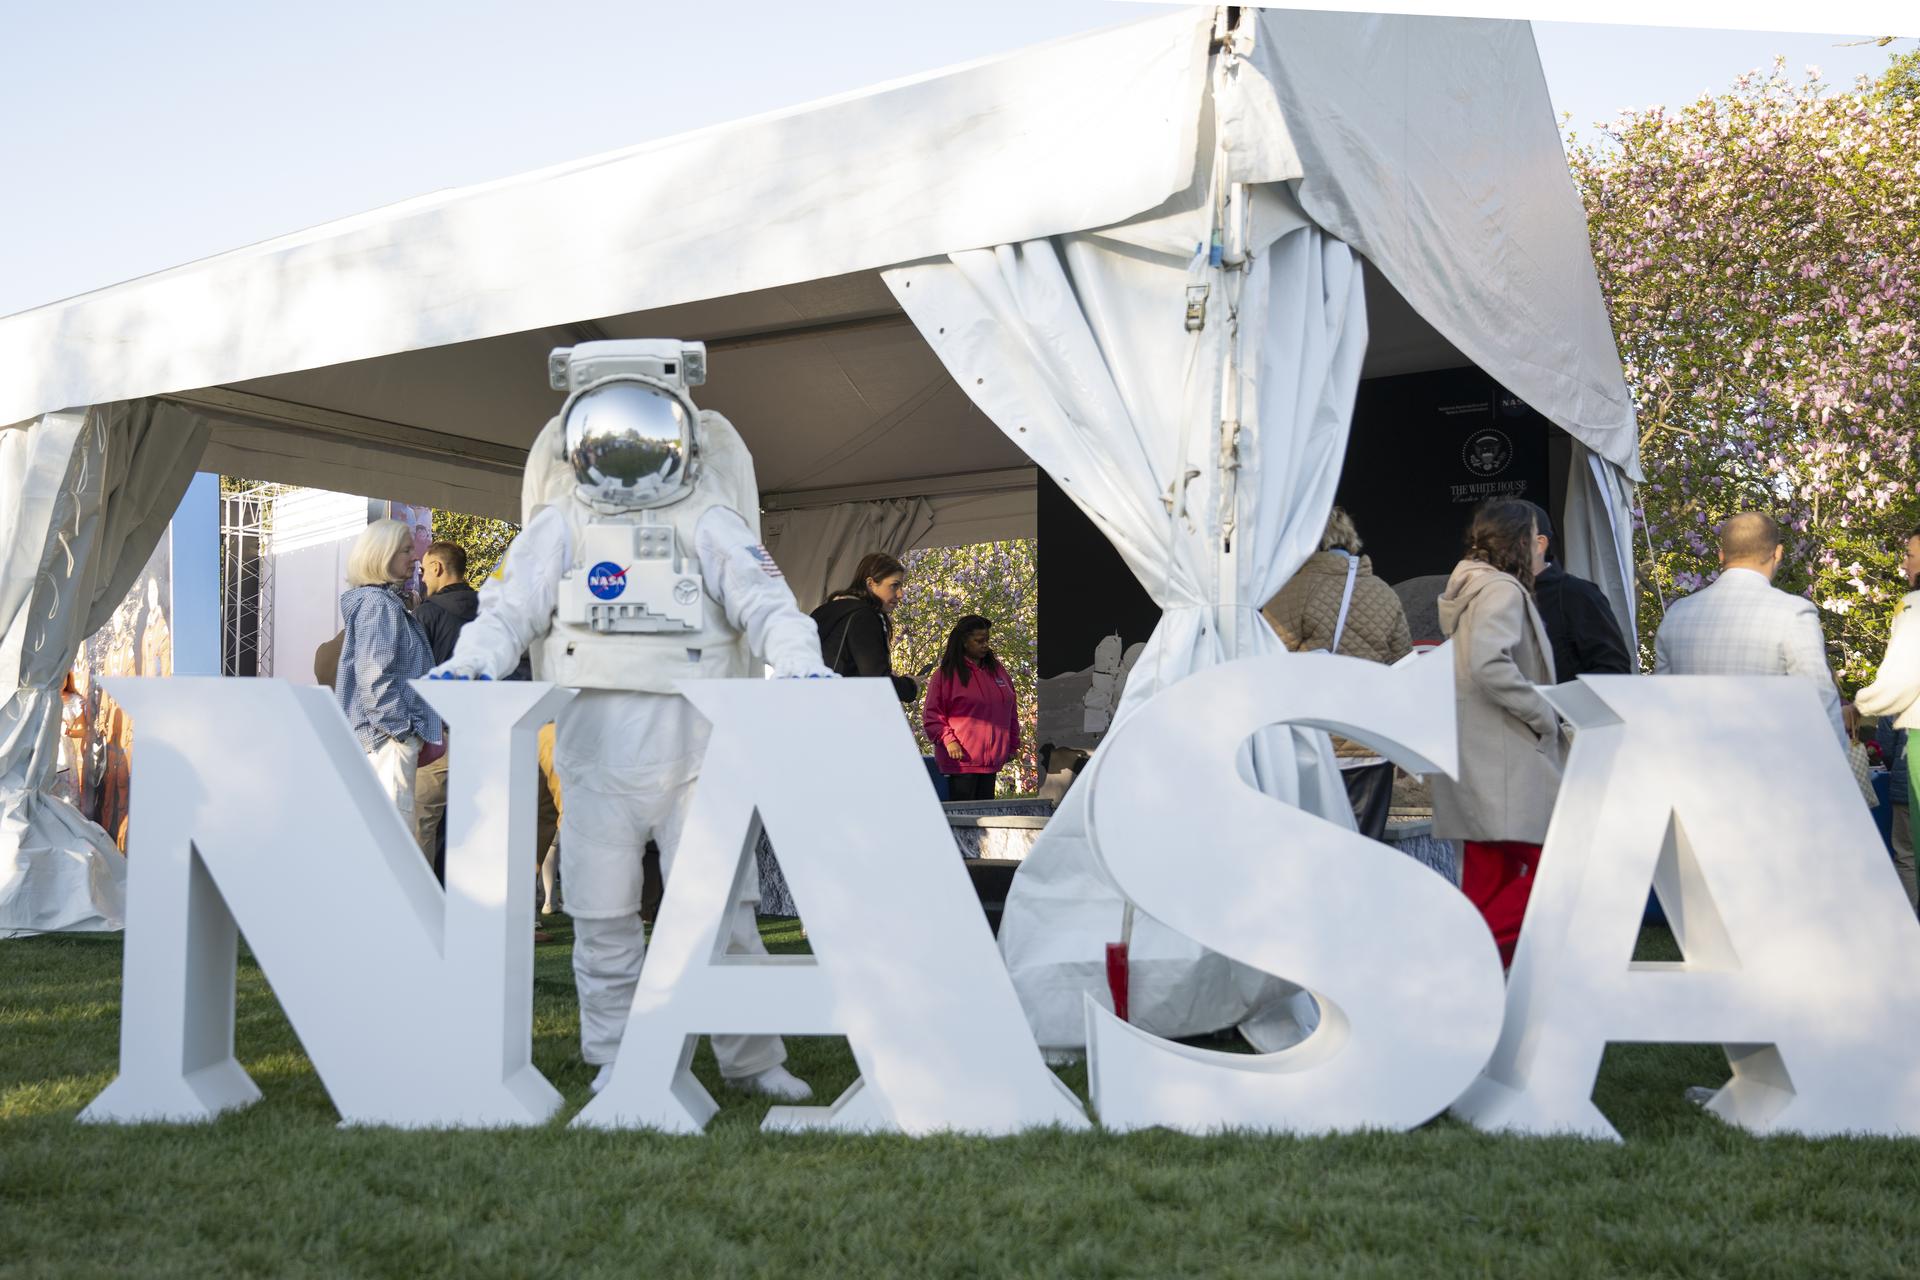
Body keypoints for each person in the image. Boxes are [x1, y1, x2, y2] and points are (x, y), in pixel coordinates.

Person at [433, 338, 825, 1102]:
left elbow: (766, 601)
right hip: (594, 744)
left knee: (724, 913)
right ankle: (617, 1055)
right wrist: (474, 660)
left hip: (698, 741)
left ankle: (750, 1060)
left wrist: (800, 661)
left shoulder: (708, 518)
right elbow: (509, 604)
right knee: (600, 914)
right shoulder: (560, 522)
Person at [1430, 499, 1563, 967]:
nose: (1539, 546)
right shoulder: (1501, 591)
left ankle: (1475, 989)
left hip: (1476, 756)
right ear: (1518, 540)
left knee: (1486, 884)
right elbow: (1490, 663)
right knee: (1558, 871)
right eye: (1533, 535)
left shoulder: (1473, 587)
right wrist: (1542, 715)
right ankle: (1465, 964)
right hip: (1506, 758)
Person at [1262, 506, 1412, 838]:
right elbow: (1403, 670)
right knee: (1363, 849)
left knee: (1311, 848)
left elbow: (1267, 664)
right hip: (1372, 745)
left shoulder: (1291, 592)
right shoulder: (1383, 593)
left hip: (1313, 745)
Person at [1653, 513, 1847, 753]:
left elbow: (1662, 700)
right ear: (1777, 554)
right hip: (1767, 770)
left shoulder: (1676, 615)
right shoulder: (1793, 613)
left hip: (1692, 765)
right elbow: (1819, 700)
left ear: (1721, 556)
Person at [337, 518, 443, 833]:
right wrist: (402, 731)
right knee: (391, 835)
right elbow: (373, 677)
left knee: (381, 833)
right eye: (406, 550)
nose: (415, 558)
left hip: (381, 738)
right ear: (382, 555)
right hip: (386, 741)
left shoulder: (378, 604)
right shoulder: (378, 606)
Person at [1853, 528, 1920, 911]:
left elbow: (1901, 681)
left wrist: (1859, 705)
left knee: (1908, 852)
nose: (1905, 563)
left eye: (1910, 554)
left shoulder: (1912, 606)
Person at [411, 541, 478, 867]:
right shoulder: (489, 611)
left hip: (438, 734)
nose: (423, 579)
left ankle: (421, 904)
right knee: (477, 824)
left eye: (424, 571)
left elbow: (414, 673)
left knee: (422, 821)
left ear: (437, 568)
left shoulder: (426, 614)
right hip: (483, 734)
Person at [1521, 501, 1632, 682]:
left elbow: (1613, 670)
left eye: (1505, 542)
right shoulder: (1492, 596)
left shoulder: (1577, 594)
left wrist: (1560, 699)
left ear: (1539, 544)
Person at [923, 614, 1021, 802]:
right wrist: (949, 741)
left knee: (985, 821)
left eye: (987, 640)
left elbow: (1011, 710)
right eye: (979, 641)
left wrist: (1013, 744)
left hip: (991, 762)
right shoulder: (945, 674)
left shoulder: (998, 671)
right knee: (964, 821)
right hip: (960, 763)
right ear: (964, 642)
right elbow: (932, 714)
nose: (985, 645)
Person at [811, 552, 918, 701]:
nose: (900, 594)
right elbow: (877, 681)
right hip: (847, 713)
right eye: (894, 585)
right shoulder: (863, 617)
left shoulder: (823, 612)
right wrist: (910, 685)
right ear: (870, 584)